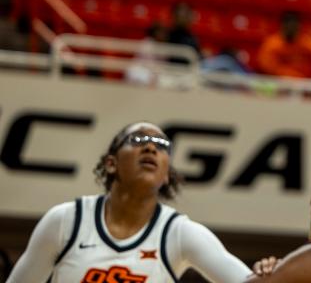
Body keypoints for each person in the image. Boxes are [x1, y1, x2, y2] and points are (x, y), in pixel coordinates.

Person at [8, 121, 251, 283]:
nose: (150, 147)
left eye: (161, 145)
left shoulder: (179, 233)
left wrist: (271, 269)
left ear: (166, 175)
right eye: (137, 140)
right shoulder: (65, 221)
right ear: (111, 163)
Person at [256, 11, 311, 80]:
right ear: (282, 26)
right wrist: (293, 76)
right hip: (281, 85)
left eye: (294, 25)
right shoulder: (272, 44)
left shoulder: (310, 44)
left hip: (308, 85)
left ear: (299, 26)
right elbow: (267, 66)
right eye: (288, 25)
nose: (291, 28)